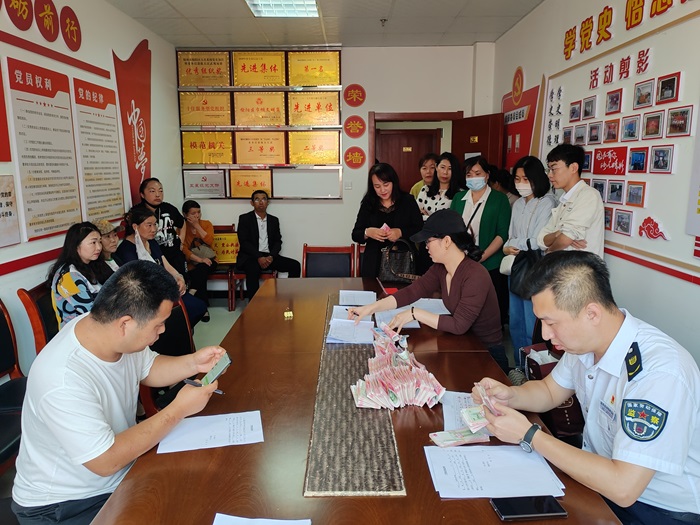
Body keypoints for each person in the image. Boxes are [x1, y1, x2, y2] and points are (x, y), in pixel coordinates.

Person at [474, 251, 700, 525]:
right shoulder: (583, 345)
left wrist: (529, 434)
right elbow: (549, 392)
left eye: (551, 322)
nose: (545, 334)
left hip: (658, 509)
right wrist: (511, 395)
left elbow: (624, 488)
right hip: (599, 482)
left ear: (591, 313)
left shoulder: (659, 373)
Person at [12, 261, 225, 525]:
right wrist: (178, 409)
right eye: (158, 324)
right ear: (125, 324)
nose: (163, 330)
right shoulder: (62, 377)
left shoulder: (107, 329)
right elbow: (105, 460)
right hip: (64, 504)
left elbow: (149, 369)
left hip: (119, 472)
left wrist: (194, 363)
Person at [349, 210, 508, 372]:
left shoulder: (475, 275)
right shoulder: (440, 268)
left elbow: (459, 325)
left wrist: (414, 313)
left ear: (446, 241)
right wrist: (370, 308)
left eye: (428, 241)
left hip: (486, 354)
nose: (426, 247)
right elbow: (411, 292)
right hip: (461, 344)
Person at [502, 156, 557, 362]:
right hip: (516, 265)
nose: (520, 184)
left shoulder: (547, 202)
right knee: (515, 320)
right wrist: (510, 246)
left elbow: (537, 241)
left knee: (531, 321)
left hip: (534, 267)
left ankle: (532, 367)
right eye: (517, 179)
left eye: (526, 179)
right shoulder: (517, 204)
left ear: (537, 178)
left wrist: (517, 243)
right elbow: (510, 237)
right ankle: (518, 365)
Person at [116, 206, 207, 325]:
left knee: (199, 307)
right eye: (149, 225)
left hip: (164, 289)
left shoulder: (151, 242)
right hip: (148, 297)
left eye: (155, 224)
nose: (154, 229)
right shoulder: (126, 250)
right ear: (135, 227)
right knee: (185, 312)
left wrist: (179, 277)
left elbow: (166, 265)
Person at [451, 156, 511, 326]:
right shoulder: (458, 198)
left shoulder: (499, 199)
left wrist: (482, 256)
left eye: (478, 173)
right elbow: (452, 229)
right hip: (461, 262)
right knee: (464, 307)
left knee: (489, 310)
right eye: (469, 175)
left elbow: (502, 234)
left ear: (487, 175)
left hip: (490, 263)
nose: (473, 178)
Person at [351, 163, 423, 279]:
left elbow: (419, 229)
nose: (382, 190)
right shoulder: (368, 203)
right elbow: (355, 234)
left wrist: (400, 232)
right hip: (374, 263)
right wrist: (367, 232)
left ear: (393, 182)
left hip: (403, 261)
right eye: (377, 186)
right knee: (373, 289)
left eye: (386, 184)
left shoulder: (407, 201)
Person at [537, 143, 605, 257]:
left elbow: (565, 239)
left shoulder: (589, 195)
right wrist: (558, 234)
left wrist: (549, 251)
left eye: (553, 169)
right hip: (560, 265)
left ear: (573, 168)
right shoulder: (564, 199)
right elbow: (541, 239)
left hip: (580, 267)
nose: (549, 175)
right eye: (549, 170)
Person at [237, 189, 301, 300]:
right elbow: (244, 242)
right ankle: (254, 304)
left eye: (264, 199)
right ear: (252, 203)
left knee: (295, 265)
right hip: (251, 256)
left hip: (269, 256)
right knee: (253, 269)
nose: (261, 202)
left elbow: (278, 241)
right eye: (257, 199)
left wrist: (271, 256)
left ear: (268, 202)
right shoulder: (245, 219)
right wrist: (259, 257)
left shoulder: (273, 220)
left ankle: (290, 298)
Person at [48, 222, 113, 330]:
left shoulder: (92, 264)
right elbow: (92, 312)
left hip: (102, 324)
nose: (99, 247)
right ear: (76, 245)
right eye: (93, 242)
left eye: (100, 242)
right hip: (79, 332)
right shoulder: (68, 277)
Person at [133, 177, 187, 275]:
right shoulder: (137, 212)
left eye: (160, 191)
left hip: (175, 256)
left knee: (181, 280)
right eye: (152, 191)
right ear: (142, 194)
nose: (158, 194)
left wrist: (181, 241)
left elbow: (182, 223)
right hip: (155, 258)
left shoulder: (169, 208)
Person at [180, 199, 217, 320]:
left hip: (210, 260)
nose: (197, 215)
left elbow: (210, 241)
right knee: (200, 272)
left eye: (198, 212)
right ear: (185, 214)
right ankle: (203, 308)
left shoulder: (206, 224)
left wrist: (197, 226)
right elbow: (183, 249)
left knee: (202, 269)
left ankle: (191, 293)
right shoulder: (181, 228)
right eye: (193, 213)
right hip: (192, 262)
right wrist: (200, 260)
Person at [416, 152, 464, 219]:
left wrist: (428, 218)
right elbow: (415, 214)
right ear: (436, 167)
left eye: (450, 169)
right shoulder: (425, 189)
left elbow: (455, 220)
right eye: (442, 167)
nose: (445, 172)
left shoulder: (460, 194)